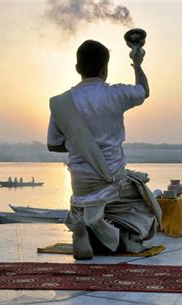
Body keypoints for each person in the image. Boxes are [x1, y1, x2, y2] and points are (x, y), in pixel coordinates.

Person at [47, 39, 162, 260]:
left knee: (91, 202)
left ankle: (86, 229)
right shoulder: (116, 94)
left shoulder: (61, 102)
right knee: (144, 203)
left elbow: (53, 144)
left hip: (80, 185)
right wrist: (137, 64)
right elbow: (144, 91)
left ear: (77, 68)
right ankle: (103, 236)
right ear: (104, 69)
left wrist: (79, 147)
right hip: (112, 181)